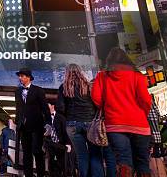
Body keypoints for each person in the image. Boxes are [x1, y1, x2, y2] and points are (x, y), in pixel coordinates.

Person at [91, 47, 152, 177]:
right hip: (140, 124)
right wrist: (142, 114)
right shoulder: (137, 76)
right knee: (142, 162)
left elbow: (96, 97)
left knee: (123, 161)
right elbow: (146, 100)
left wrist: (107, 107)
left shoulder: (102, 76)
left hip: (115, 125)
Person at [56, 63, 104, 177]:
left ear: (67, 73)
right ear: (80, 72)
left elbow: (60, 107)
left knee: (81, 155)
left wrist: (69, 115)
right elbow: (97, 103)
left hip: (72, 125)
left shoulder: (64, 87)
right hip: (90, 123)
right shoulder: (89, 85)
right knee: (95, 154)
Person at [14, 68, 50, 177]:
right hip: (23, 127)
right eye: (19, 76)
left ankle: (40, 175)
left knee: (37, 151)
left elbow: (45, 108)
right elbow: (18, 108)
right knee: (26, 153)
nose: (20, 78)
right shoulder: (17, 91)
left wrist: (48, 123)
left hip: (36, 127)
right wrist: (17, 122)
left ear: (28, 77)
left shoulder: (38, 90)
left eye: (22, 76)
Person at [45, 103, 69, 177]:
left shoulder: (61, 118)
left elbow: (65, 131)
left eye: (48, 107)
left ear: (53, 106)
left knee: (62, 165)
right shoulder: (45, 118)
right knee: (51, 165)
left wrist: (68, 143)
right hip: (50, 145)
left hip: (61, 145)